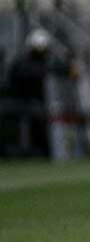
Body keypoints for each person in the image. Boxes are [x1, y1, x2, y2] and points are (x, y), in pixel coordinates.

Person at [4, 29, 76, 157]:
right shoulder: (22, 63)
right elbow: (26, 74)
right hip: (20, 102)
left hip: (36, 103)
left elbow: (59, 70)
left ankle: (42, 151)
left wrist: (67, 68)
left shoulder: (45, 63)